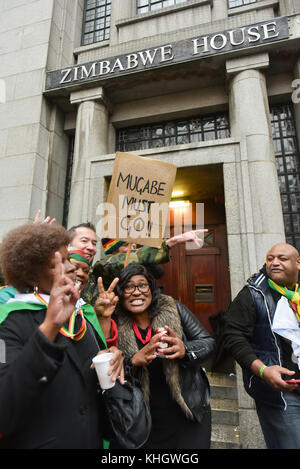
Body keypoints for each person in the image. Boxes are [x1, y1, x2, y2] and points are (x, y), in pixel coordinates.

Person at [0, 223, 125, 449]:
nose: (71, 269)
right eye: (57, 264)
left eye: (67, 259)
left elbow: (90, 370)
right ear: (31, 275)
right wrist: (49, 327)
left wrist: (112, 356)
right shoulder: (6, 323)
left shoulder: (78, 316)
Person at [96, 263, 215, 449]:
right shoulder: (113, 320)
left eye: (142, 285)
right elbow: (105, 367)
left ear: (151, 288)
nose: (137, 292)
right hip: (140, 418)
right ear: (121, 293)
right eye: (128, 287)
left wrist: (185, 350)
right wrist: (133, 361)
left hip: (186, 412)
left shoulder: (174, 309)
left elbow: (208, 343)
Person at [223, 242, 300, 449]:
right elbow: (233, 337)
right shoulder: (253, 294)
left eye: (282, 259)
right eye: (270, 258)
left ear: (298, 263)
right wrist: (264, 371)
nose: (274, 262)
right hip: (281, 395)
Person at [68, 246, 118, 348]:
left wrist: (103, 318)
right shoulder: (45, 304)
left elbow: (101, 348)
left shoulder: (87, 309)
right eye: (75, 268)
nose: (81, 274)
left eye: (86, 271)